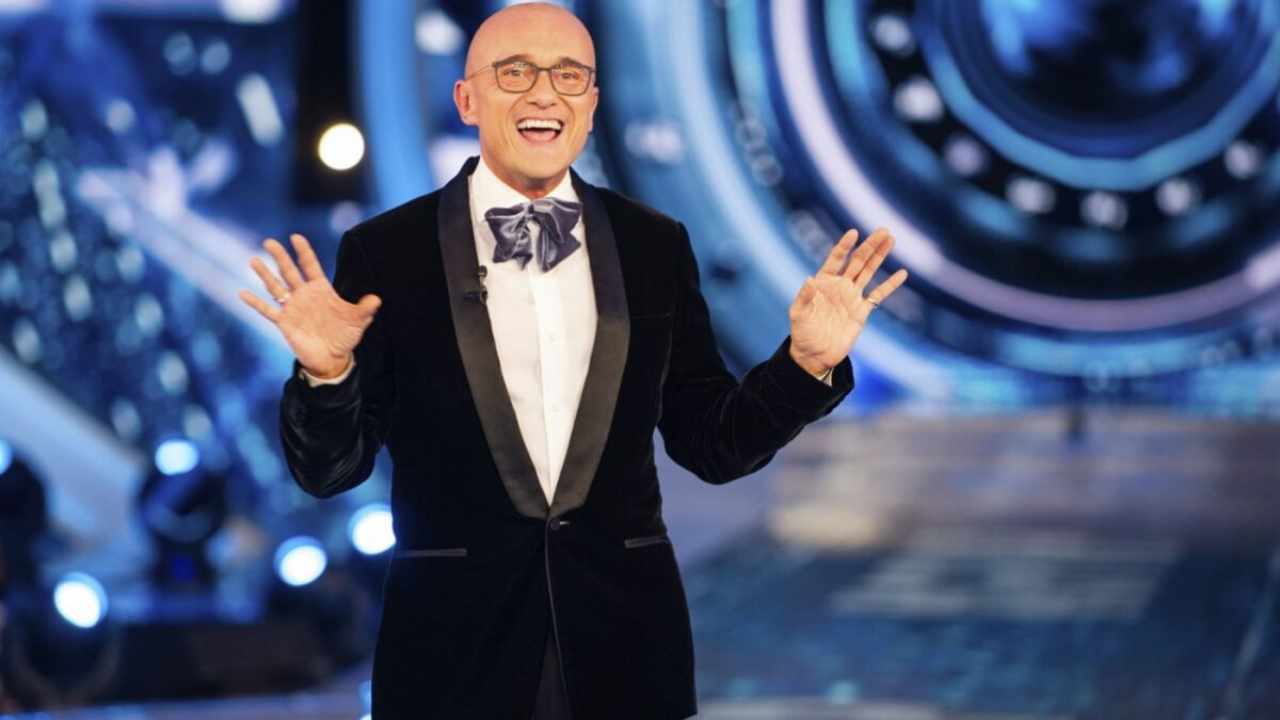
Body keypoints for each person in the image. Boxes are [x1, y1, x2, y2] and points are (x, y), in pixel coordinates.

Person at [239, 3, 907, 718]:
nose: (544, 94)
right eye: (515, 72)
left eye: (568, 75)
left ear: (590, 104)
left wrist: (804, 365)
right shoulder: (386, 252)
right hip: (452, 656)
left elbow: (712, 443)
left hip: (626, 650)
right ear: (466, 99)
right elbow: (331, 471)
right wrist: (327, 377)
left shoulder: (654, 244)